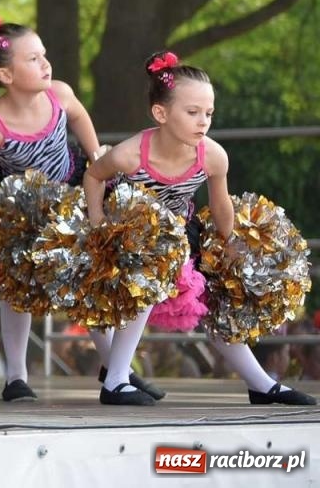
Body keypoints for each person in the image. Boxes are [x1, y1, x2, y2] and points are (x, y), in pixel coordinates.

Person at [82, 52, 314, 407]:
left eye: (208, 113)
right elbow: (94, 176)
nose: (203, 121)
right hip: (131, 235)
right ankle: (115, 379)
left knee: (214, 299)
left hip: (182, 230)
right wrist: (98, 221)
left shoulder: (213, 155)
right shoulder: (131, 154)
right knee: (143, 278)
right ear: (161, 114)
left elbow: (220, 204)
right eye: (192, 112)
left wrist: (229, 240)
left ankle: (260, 384)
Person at [0, 13, 111, 403]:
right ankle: (16, 377)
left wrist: (97, 158)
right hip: (24, 209)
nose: (46, 64)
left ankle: (115, 367)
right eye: (34, 59)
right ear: (6, 76)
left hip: (70, 193)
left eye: (44, 55)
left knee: (88, 276)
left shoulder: (59, 94)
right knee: (15, 287)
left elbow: (80, 116)